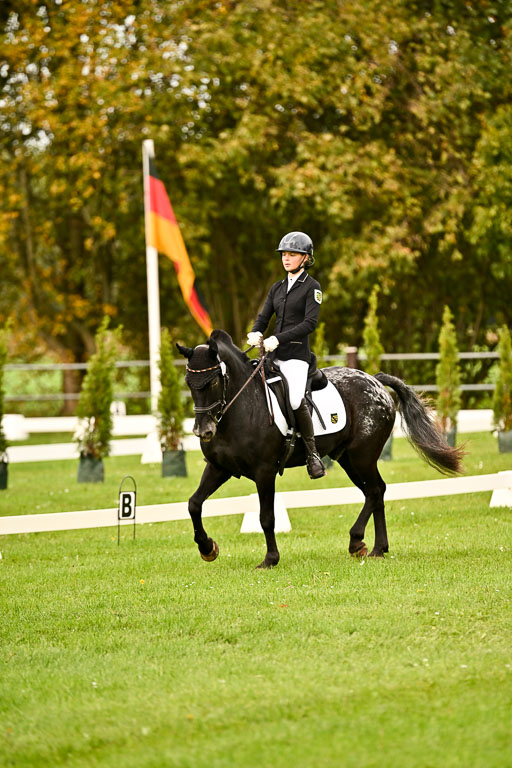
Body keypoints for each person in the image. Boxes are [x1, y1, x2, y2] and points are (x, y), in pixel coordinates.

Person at [247, 231, 326, 479]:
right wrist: (255, 332)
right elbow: (264, 316)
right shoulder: (277, 288)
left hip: (296, 358)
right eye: (284, 254)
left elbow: (310, 323)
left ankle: (312, 455)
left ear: (305, 258)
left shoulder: (312, 288)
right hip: (273, 355)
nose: (286, 258)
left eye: (292, 254)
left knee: (294, 400)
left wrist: (277, 338)